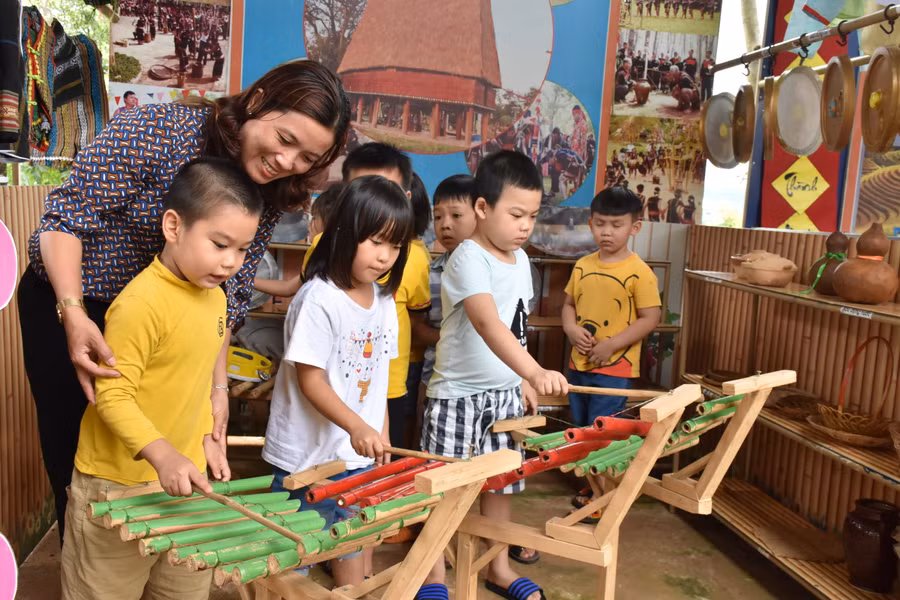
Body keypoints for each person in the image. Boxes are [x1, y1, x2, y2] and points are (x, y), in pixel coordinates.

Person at [17, 60, 350, 543]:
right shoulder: (159, 131)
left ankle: (138, 560)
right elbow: (64, 221)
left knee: (162, 447)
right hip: (78, 303)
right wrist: (72, 312)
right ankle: (85, 557)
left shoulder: (272, 188)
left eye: (307, 158)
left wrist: (217, 390)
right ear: (258, 103)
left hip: (176, 320)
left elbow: (229, 295)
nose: (287, 162)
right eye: (285, 139)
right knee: (79, 449)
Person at [60, 157, 264, 599]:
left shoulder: (215, 296)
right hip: (117, 487)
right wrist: (164, 456)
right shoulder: (141, 304)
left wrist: (207, 435)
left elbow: (195, 376)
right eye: (219, 244)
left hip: (185, 481)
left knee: (184, 589)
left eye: (243, 250)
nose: (231, 262)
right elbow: (112, 397)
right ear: (173, 226)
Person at [418, 151, 568, 600]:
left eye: (532, 217)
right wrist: (535, 371)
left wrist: (521, 380)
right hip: (458, 397)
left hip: (504, 396)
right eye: (516, 215)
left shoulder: (520, 261)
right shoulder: (468, 258)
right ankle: (433, 575)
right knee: (445, 488)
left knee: (501, 485)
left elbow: (516, 324)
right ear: (483, 208)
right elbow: (487, 323)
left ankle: (498, 568)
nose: (526, 226)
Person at [262, 176, 414, 588]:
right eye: (375, 241)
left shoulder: (383, 301)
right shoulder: (318, 298)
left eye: (395, 246)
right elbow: (311, 382)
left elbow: (377, 380)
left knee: (351, 543)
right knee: (296, 554)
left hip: (356, 456)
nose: (384, 256)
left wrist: (380, 436)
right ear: (344, 232)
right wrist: (357, 427)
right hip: (305, 458)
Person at [562, 186, 661, 514]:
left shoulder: (639, 272)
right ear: (591, 223)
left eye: (616, 225)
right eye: (600, 223)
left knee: (603, 430)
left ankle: (603, 497)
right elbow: (568, 305)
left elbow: (650, 318)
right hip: (578, 365)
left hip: (615, 370)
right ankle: (593, 486)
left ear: (635, 227)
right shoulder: (582, 265)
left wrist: (612, 345)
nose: (607, 232)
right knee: (581, 427)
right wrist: (571, 329)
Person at [417, 174, 478, 394]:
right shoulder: (431, 273)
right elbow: (419, 328)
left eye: (456, 215)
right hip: (437, 379)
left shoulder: (497, 271)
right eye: (438, 216)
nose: (445, 225)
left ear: (482, 214)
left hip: (481, 381)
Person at [253, 183, 344, 299]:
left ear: (331, 225)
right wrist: (248, 280)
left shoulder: (331, 261)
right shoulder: (317, 259)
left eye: (315, 217)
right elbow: (287, 288)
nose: (310, 223)